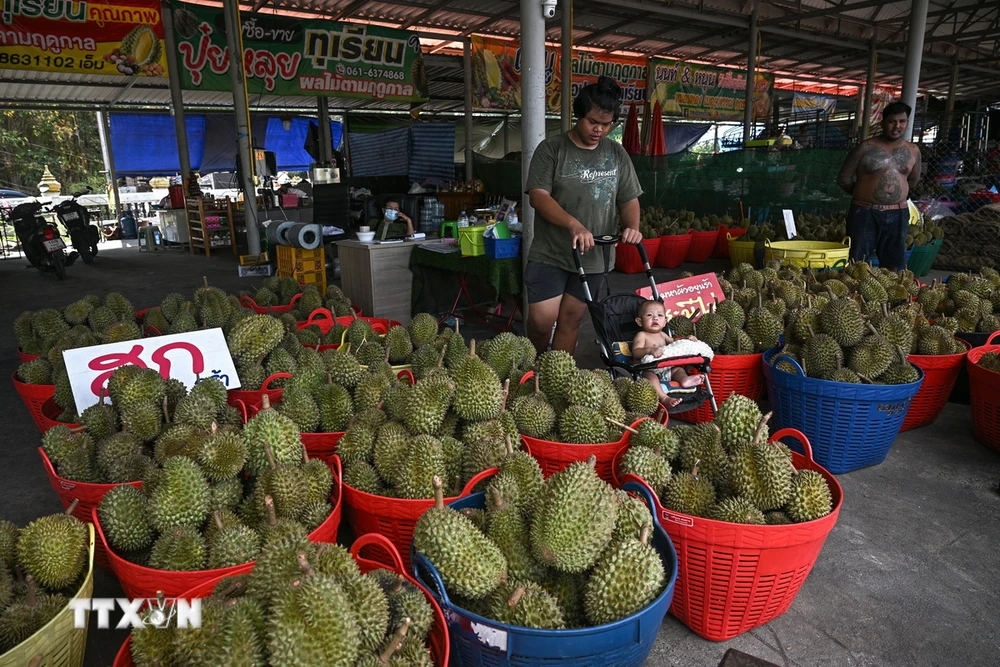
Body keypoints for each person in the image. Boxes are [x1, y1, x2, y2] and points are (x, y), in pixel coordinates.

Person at [524, 76, 643, 354]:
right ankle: (533, 366)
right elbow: (538, 196)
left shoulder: (616, 153)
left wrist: (632, 226)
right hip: (551, 253)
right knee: (542, 321)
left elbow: (628, 197)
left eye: (606, 124)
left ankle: (558, 377)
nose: (599, 129)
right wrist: (573, 225)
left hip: (594, 255)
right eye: (592, 122)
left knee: (572, 319)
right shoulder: (552, 149)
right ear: (578, 116)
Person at [835, 101, 921, 271]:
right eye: (892, 121)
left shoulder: (913, 150)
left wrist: (897, 196)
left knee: (894, 263)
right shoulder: (865, 148)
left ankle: (892, 296)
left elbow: (913, 179)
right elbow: (843, 178)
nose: (897, 126)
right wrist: (863, 195)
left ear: (907, 123)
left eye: (902, 121)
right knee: (857, 262)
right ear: (883, 123)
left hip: (898, 213)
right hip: (864, 212)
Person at [630, 300, 704, 408]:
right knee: (650, 377)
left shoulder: (663, 335)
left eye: (659, 315)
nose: (655, 318)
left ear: (665, 321)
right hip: (647, 369)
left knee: (678, 370)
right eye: (649, 315)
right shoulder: (642, 335)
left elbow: (675, 343)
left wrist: (687, 339)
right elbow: (636, 352)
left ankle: (684, 380)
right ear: (639, 321)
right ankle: (664, 398)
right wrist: (649, 350)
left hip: (665, 368)